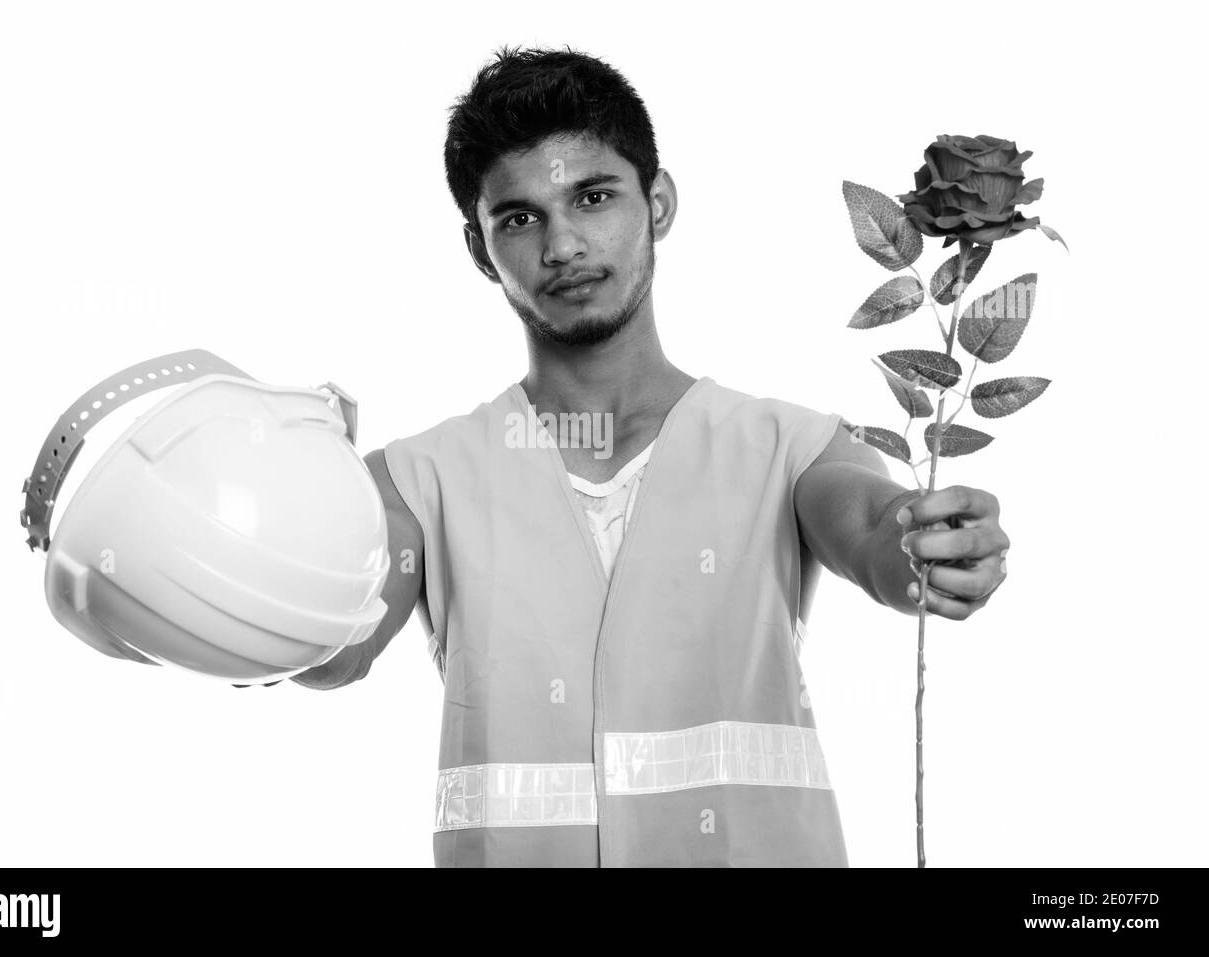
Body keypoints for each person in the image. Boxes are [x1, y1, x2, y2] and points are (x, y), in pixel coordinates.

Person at [290, 45, 1011, 867]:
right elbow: (333, 651)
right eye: (520, 218)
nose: (562, 245)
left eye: (592, 197)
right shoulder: (415, 480)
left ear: (658, 202)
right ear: (478, 248)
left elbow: (873, 526)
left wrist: (921, 542)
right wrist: (291, 526)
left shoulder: (790, 446)